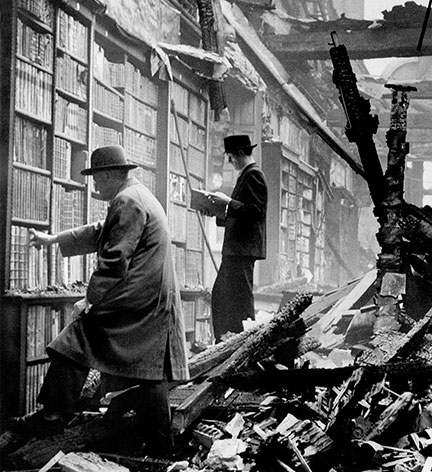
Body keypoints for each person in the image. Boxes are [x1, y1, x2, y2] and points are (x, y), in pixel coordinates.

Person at [12, 145, 189, 453]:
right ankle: (162, 448)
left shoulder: (127, 201)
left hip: (139, 299)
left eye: (96, 177)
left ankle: (54, 416)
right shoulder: (136, 195)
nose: (94, 185)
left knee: (74, 341)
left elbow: (114, 259)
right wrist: (56, 239)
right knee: (150, 372)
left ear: (109, 175)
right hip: (153, 299)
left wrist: (91, 300)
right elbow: (103, 231)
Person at [208, 135, 268, 341]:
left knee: (238, 298)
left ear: (241, 153)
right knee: (226, 296)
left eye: (231, 157)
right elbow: (244, 214)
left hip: (242, 250)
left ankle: (244, 341)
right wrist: (217, 211)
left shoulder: (253, 175)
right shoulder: (248, 175)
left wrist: (228, 201)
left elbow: (256, 212)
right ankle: (228, 339)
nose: (230, 162)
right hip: (238, 249)